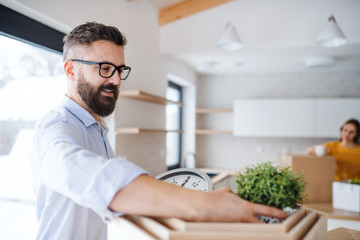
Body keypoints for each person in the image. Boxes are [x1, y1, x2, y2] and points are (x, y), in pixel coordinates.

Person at [30, 22, 287, 240]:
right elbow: (78, 170)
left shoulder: (96, 128)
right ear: (71, 70)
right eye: (105, 68)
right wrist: (203, 205)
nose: (116, 80)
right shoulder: (57, 126)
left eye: (120, 70)